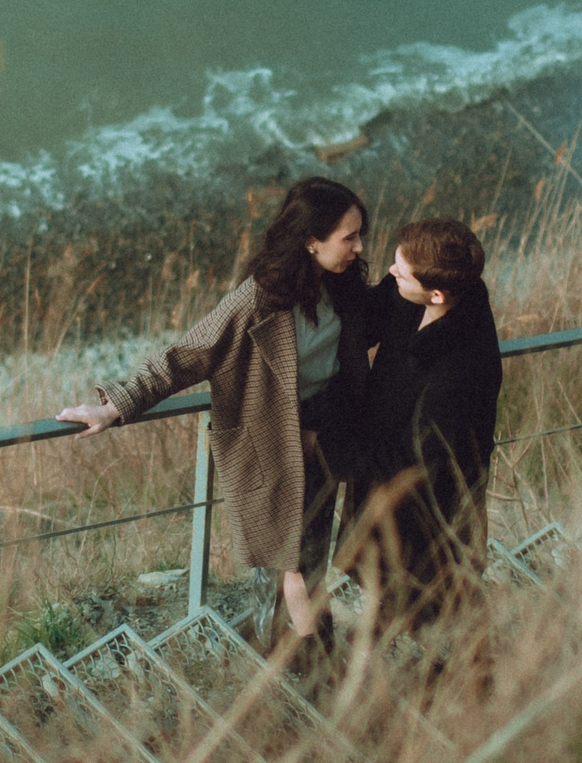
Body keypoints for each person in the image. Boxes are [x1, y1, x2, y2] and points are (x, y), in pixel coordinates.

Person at [57, 176, 378, 659]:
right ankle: (306, 666)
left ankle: (295, 656)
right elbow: (185, 356)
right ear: (311, 242)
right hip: (274, 440)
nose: (358, 247)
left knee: (305, 554)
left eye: (359, 235)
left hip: (331, 430)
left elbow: (376, 326)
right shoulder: (254, 302)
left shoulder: (344, 285)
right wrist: (114, 406)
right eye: (348, 237)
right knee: (290, 561)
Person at [340, 218, 503, 631]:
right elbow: (367, 315)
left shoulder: (459, 369)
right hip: (391, 484)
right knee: (391, 593)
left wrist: (337, 453)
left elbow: (421, 462)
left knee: (428, 603)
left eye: (400, 270)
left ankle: (443, 675)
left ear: (436, 293)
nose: (391, 272)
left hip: (427, 508)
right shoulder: (429, 292)